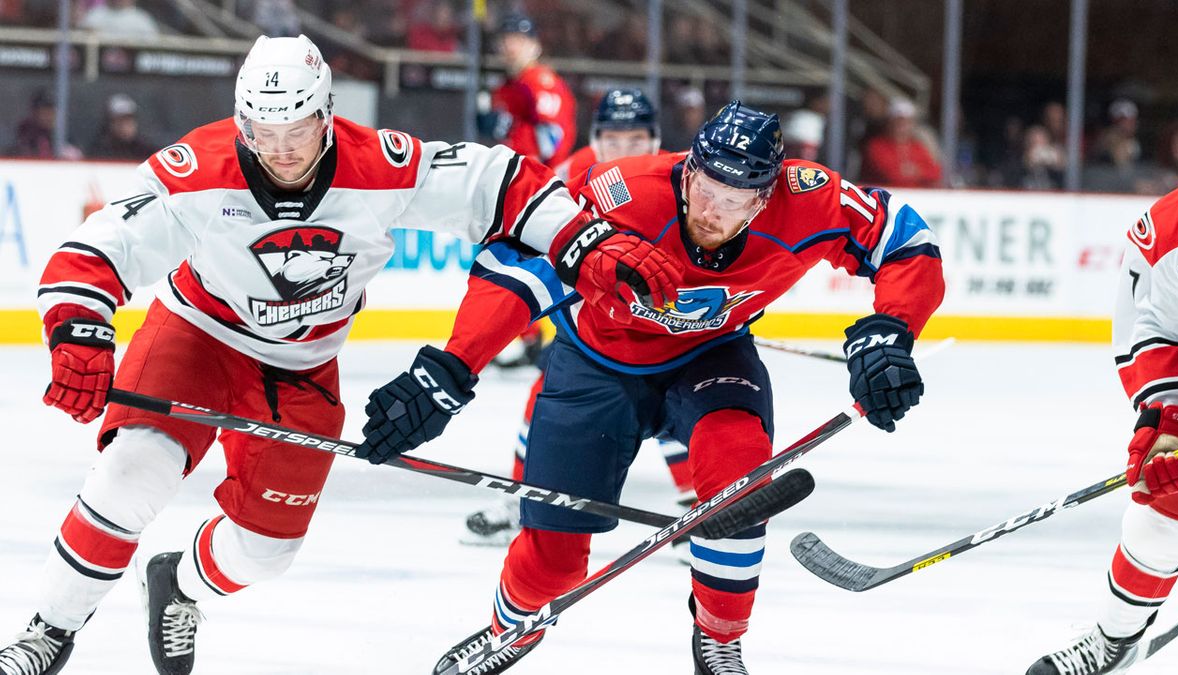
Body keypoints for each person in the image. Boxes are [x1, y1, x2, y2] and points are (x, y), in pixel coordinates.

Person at [0, 34, 678, 675]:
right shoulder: (199, 171)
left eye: (297, 130)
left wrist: (583, 240)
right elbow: (98, 246)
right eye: (264, 133)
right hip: (196, 337)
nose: (282, 150)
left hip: (302, 368)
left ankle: (177, 582)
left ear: (326, 114)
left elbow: (496, 184)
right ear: (242, 121)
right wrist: (80, 329)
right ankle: (49, 629)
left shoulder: (378, 165)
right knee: (132, 473)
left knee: (266, 552)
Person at [356, 101, 945, 674]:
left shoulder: (808, 198)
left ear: (764, 199)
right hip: (594, 366)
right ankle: (509, 627)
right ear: (689, 168)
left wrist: (890, 332)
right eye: (705, 188)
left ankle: (719, 639)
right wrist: (451, 368)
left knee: (737, 488)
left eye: (733, 201)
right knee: (553, 563)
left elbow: (903, 238)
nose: (710, 211)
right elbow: (519, 260)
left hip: (712, 358)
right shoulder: (625, 192)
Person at [462, 88, 696, 549]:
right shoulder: (573, 172)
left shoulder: (679, 179)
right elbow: (542, 240)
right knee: (546, 392)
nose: (624, 149)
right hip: (596, 322)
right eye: (613, 138)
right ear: (596, 138)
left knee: (675, 402)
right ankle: (522, 500)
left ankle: (698, 508)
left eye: (636, 139)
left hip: (667, 322)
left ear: (654, 140)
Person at [1025, 111, 1178, 675]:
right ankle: (1113, 644)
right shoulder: (1168, 234)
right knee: (1163, 507)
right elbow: (1154, 331)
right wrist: (1169, 416)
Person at [477, 12, 577, 168]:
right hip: (513, 173)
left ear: (535, 47)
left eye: (519, 41)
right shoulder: (505, 87)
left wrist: (510, 129)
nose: (511, 47)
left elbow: (552, 141)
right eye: (506, 40)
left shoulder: (541, 82)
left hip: (543, 179)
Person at [858, 97, 942, 188]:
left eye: (907, 122)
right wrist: (917, 172)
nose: (902, 126)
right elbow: (892, 175)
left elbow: (935, 172)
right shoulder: (876, 146)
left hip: (912, 197)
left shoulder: (917, 146)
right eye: (898, 121)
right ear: (889, 123)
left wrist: (916, 171)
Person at [88, 93, 158, 160]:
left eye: (129, 120)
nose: (125, 126)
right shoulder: (100, 150)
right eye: (120, 121)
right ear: (111, 124)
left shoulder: (146, 150)